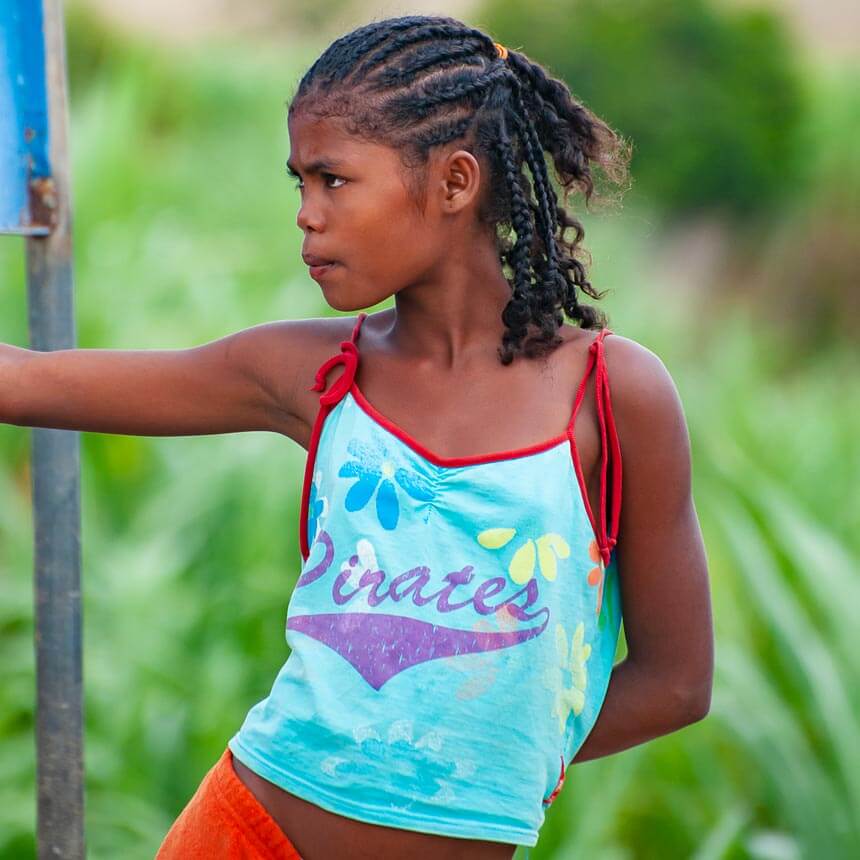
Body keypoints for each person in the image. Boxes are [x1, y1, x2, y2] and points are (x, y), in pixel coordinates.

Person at [0, 13, 713, 860]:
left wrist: (496, 751)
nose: (305, 215)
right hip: (244, 828)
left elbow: (676, 683)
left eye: (333, 180)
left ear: (454, 183)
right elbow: (26, 381)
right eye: (298, 181)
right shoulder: (313, 374)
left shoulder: (612, 393)